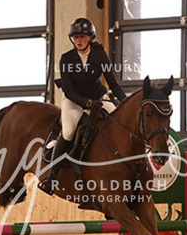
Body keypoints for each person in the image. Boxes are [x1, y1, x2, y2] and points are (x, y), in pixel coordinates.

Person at [39, 17, 127, 194]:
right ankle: (52, 178)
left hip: (98, 97)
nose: (79, 40)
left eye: (82, 37)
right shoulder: (66, 59)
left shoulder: (99, 55)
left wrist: (125, 102)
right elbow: (69, 91)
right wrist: (87, 103)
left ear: (90, 37)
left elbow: (113, 84)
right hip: (74, 101)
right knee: (69, 132)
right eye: (76, 37)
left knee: (119, 124)